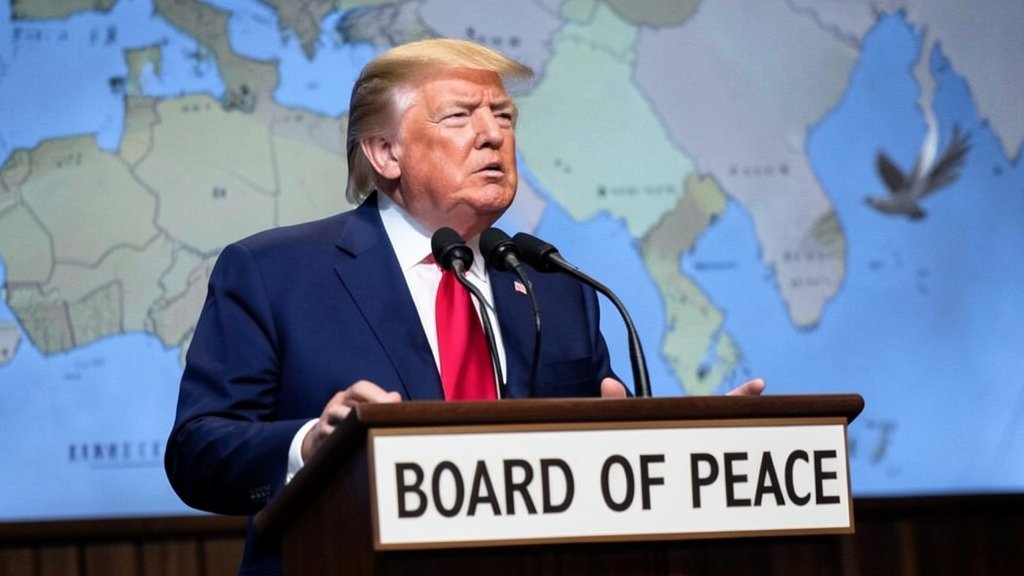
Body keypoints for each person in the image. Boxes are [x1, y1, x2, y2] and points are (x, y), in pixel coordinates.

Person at [165, 38, 764, 576]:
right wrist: (309, 446)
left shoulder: (556, 284)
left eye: (504, 116)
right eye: (459, 116)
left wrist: (687, 443)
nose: (493, 134)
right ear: (384, 152)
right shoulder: (275, 273)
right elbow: (198, 452)